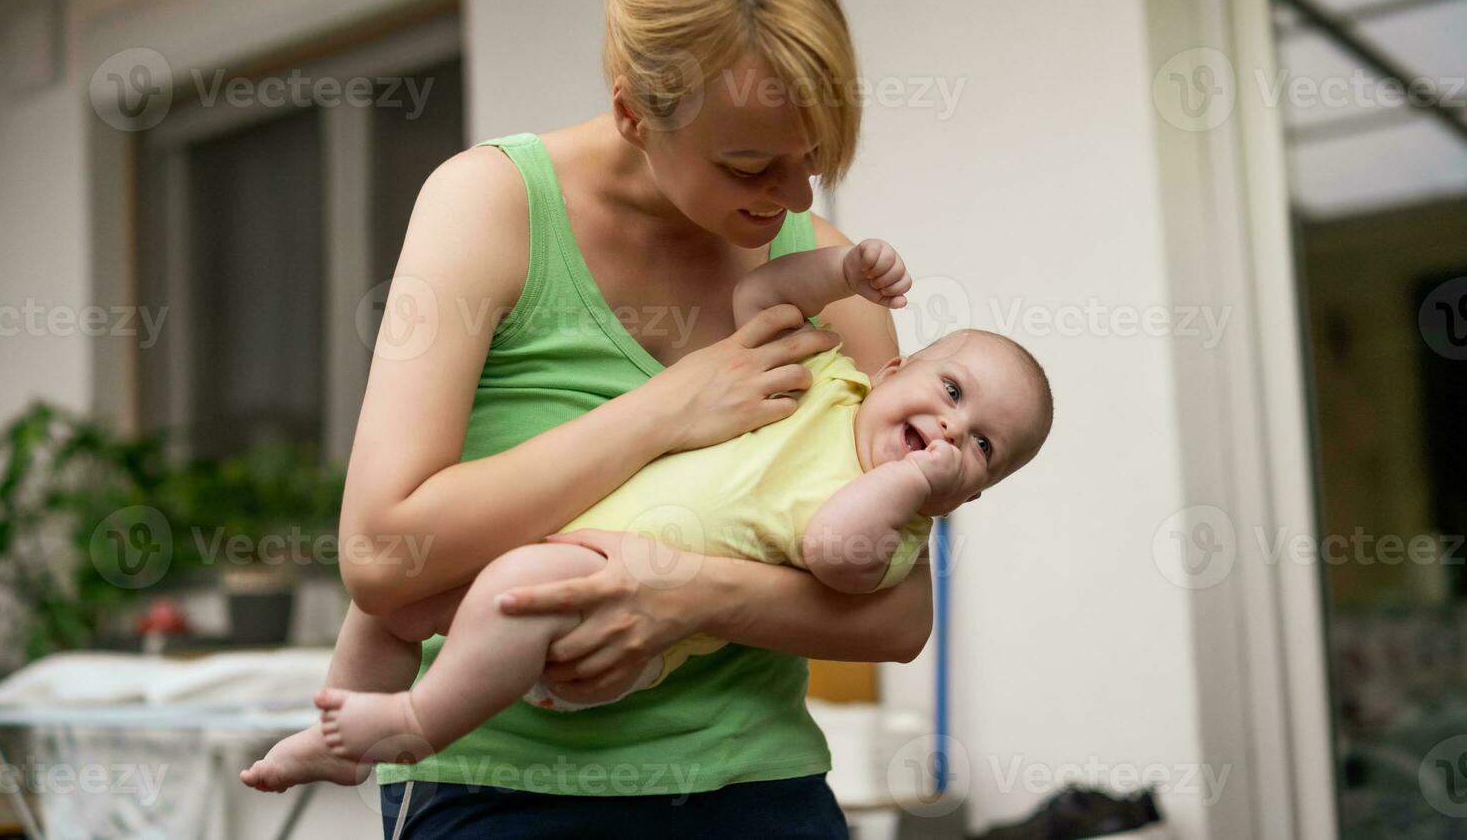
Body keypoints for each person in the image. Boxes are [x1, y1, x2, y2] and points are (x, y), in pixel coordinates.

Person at [245, 0, 958, 837]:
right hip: (502, 794)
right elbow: (381, 554)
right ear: (633, 114)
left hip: (756, 792)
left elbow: (898, 616)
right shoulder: (489, 209)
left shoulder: (826, 275)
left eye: (814, 158)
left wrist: (678, 595)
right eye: (749, 167)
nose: (795, 199)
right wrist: (669, 409)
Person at [241, 239, 1053, 784]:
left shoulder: (895, 526)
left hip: (610, 619)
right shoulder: (829, 374)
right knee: (395, 601)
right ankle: (339, 730)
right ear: (893, 368)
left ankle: (418, 721)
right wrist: (840, 276)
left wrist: (913, 485)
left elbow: (835, 552)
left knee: (516, 584)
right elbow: (760, 291)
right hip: (573, 545)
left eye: (982, 448)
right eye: (950, 393)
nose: (951, 430)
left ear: (972, 494)